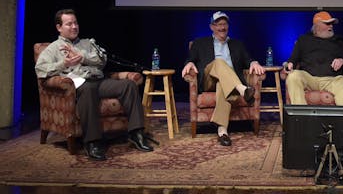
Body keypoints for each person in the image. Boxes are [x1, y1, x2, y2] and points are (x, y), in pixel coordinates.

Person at [35, 9, 154, 161]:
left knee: (128, 85)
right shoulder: (52, 48)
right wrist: (63, 63)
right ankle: (92, 142)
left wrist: (82, 57)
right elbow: (40, 70)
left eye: (75, 23)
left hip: (98, 80)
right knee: (88, 89)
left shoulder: (88, 43)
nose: (74, 27)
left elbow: (102, 61)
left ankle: (136, 134)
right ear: (59, 27)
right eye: (69, 24)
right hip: (77, 84)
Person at [181, 11, 265, 146]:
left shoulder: (237, 44)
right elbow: (190, 60)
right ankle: (243, 90)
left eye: (224, 24)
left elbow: (248, 60)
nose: (222, 27)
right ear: (211, 27)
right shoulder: (199, 43)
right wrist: (189, 63)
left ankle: (222, 130)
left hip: (227, 82)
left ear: (228, 26)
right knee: (219, 62)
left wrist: (253, 63)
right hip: (209, 80)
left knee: (223, 85)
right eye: (218, 24)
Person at [284, 11, 343, 105]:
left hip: (331, 80)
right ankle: (301, 118)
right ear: (317, 25)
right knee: (293, 76)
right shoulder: (303, 40)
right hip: (309, 78)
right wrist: (290, 64)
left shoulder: (338, 41)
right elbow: (292, 60)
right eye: (327, 23)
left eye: (331, 24)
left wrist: (342, 60)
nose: (331, 26)